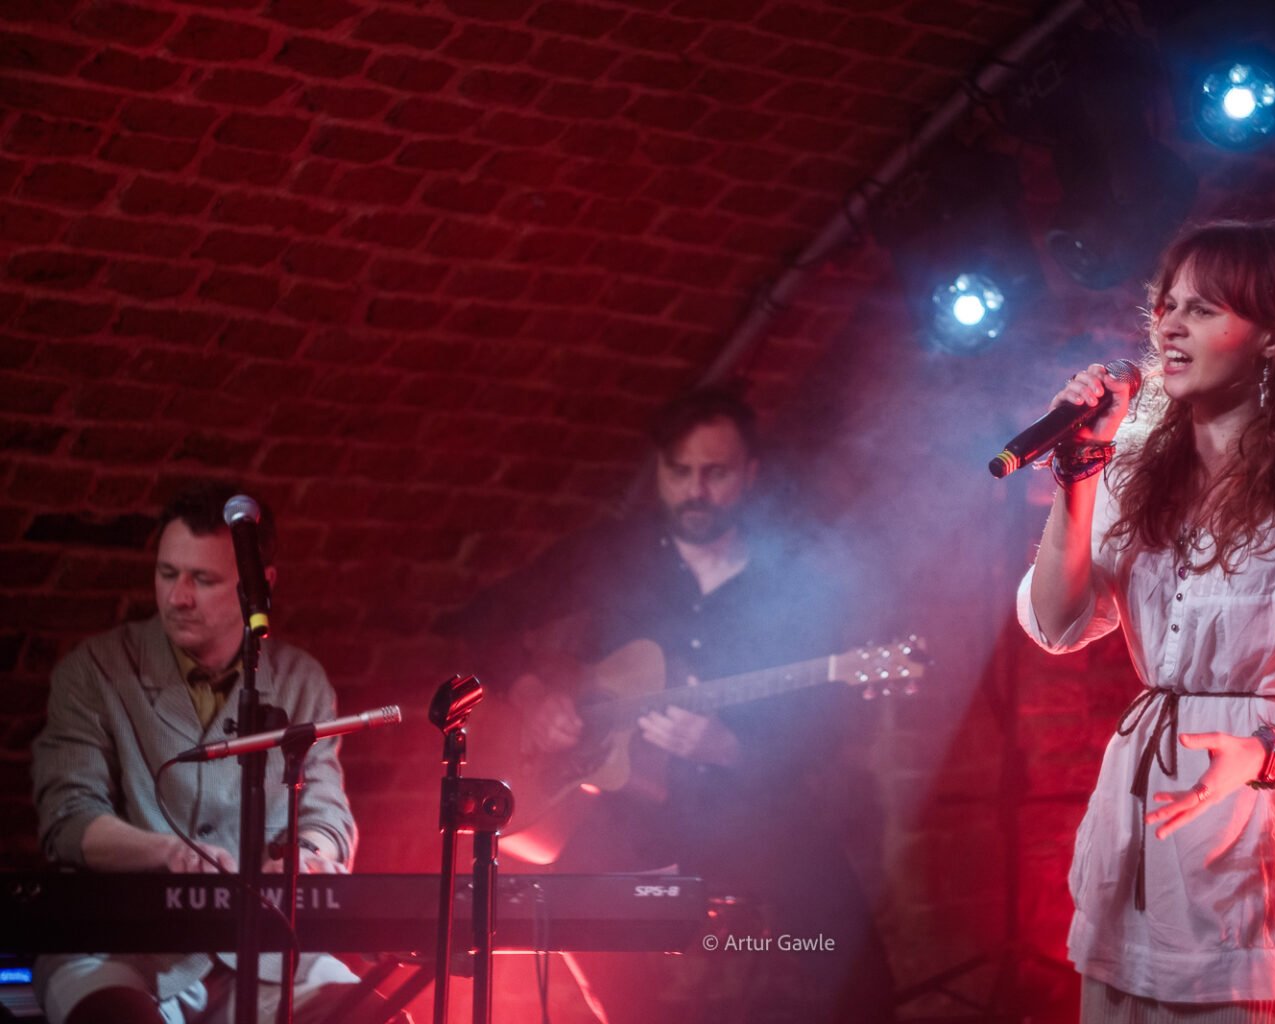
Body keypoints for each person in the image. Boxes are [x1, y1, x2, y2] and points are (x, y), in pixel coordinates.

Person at [1017, 220, 1275, 1021]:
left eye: (1202, 309)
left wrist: (1265, 754)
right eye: (1166, 306)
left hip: (1250, 828)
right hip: (1136, 821)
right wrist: (1080, 473)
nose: (1169, 326)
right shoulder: (1135, 475)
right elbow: (1057, 624)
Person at [468, 388, 897, 1024]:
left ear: (749, 474)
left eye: (715, 473)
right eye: (679, 471)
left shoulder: (792, 581)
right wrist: (534, 696)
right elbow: (482, 620)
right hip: (627, 806)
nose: (695, 490)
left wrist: (731, 748)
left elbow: (824, 729)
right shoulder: (614, 553)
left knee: (852, 965)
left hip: (750, 804)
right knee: (572, 917)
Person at [30, 483, 394, 1024]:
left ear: (260, 585)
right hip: (121, 946)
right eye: (167, 573)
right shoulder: (95, 669)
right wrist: (168, 853)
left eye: (202, 580)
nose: (178, 597)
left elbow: (327, 816)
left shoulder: (301, 680)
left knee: (378, 1017)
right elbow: (68, 819)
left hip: (270, 951)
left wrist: (308, 855)